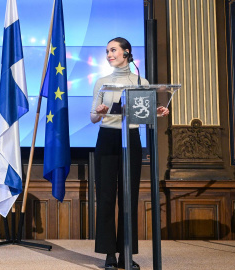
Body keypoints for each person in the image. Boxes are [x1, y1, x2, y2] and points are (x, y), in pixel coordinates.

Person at [90, 37, 168, 270]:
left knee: (129, 197)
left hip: (131, 139)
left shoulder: (140, 81)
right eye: (107, 51)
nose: (109, 54)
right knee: (105, 197)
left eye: (113, 50)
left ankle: (126, 253)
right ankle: (109, 255)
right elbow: (93, 117)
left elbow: (142, 112)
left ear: (127, 53)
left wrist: (156, 111)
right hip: (107, 138)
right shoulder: (102, 82)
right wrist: (101, 112)